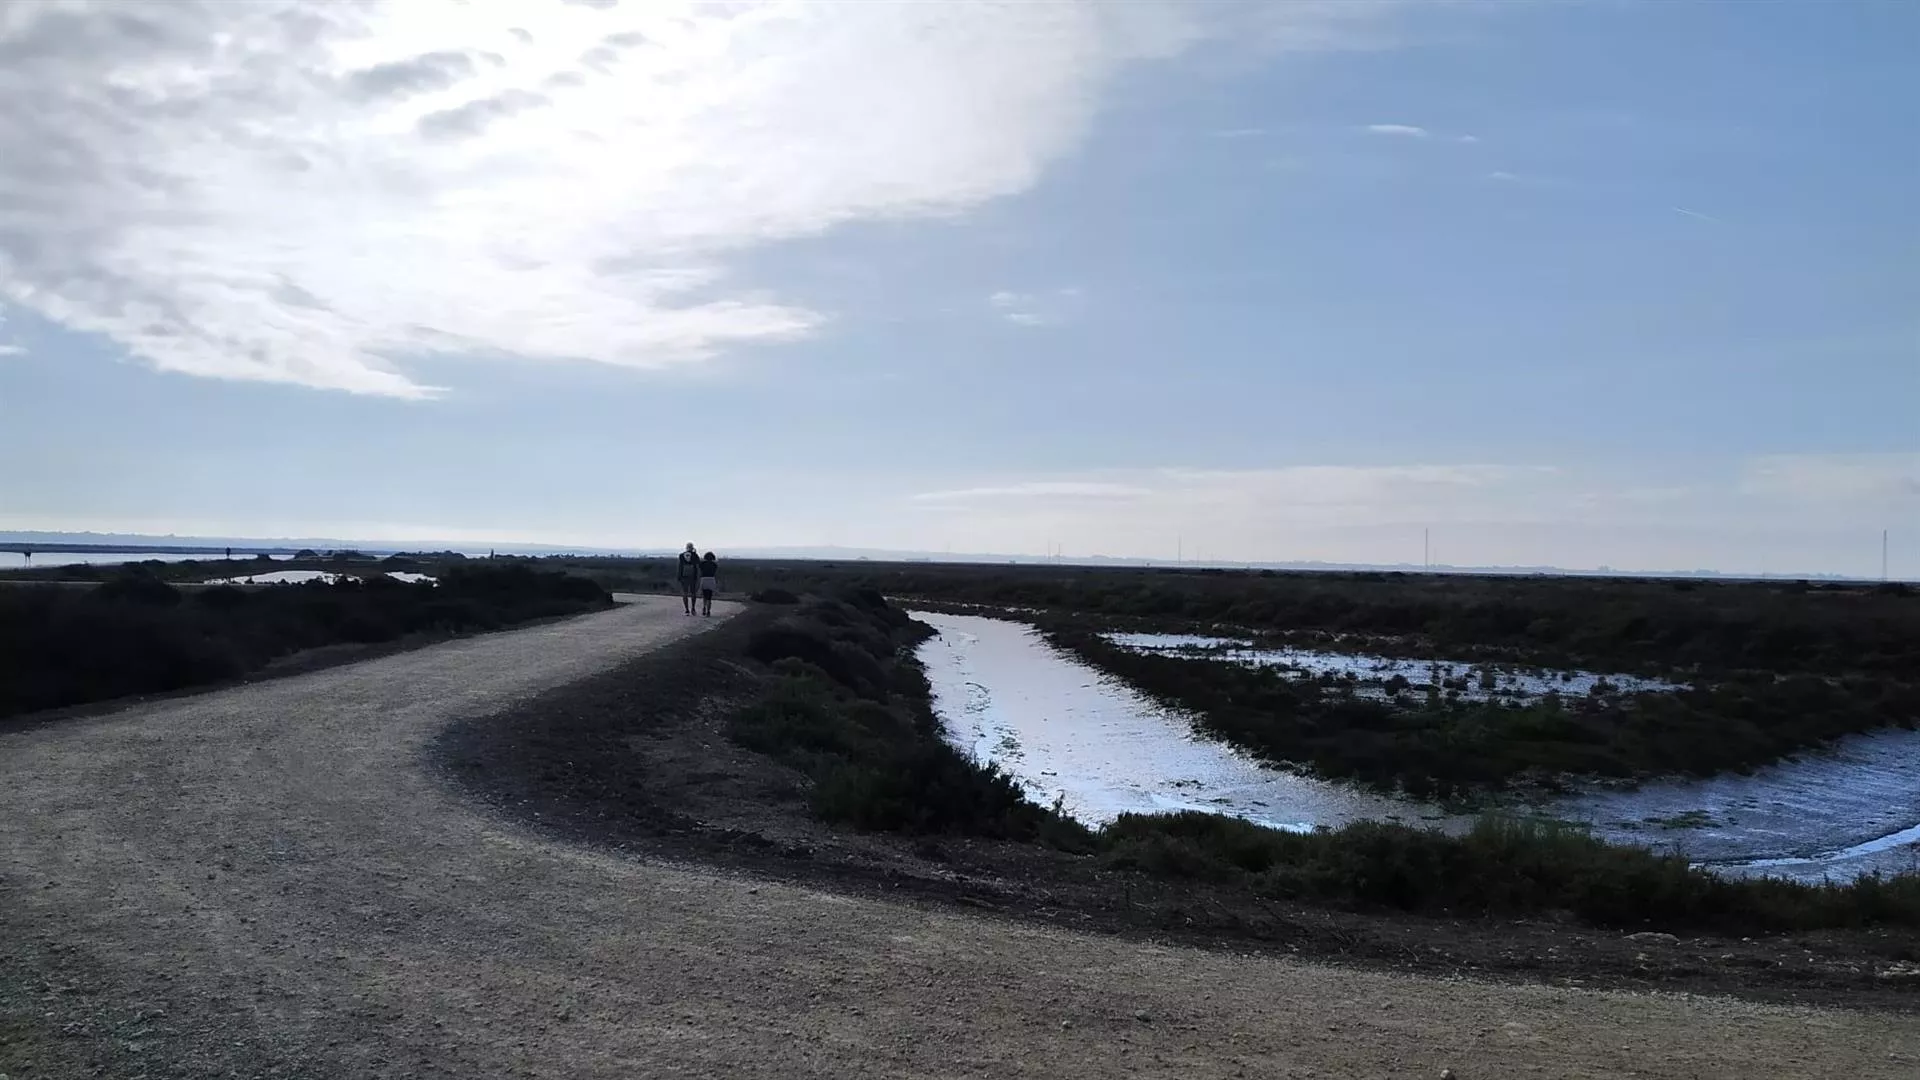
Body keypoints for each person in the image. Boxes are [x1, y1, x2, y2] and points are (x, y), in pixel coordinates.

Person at [675, 542, 701, 615]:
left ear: (686, 547)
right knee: (693, 593)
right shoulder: (694, 555)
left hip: (684, 576)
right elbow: (698, 563)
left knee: (685, 593)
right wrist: (695, 552)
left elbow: (680, 566)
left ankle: (686, 610)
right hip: (692, 576)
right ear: (692, 547)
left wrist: (679, 576)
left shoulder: (681, 555)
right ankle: (693, 608)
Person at [698, 550, 719, 617]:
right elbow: (715, 569)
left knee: (704, 595)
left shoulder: (702, 564)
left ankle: (704, 607)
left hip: (704, 579)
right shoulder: (714, 565)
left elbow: (700, 567)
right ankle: (708, 611)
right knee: (709, 597)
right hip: (711, 579)